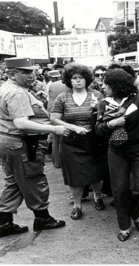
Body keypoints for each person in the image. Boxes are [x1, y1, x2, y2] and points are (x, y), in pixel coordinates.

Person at [0, 57, 68, 238]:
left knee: (14, 183)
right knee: (34, 179)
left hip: (9, 141)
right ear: (12, 74)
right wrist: (53, 128)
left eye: (31, 71)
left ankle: (4, 222)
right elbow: (21, 122)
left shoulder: (10, 88)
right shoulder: (17, 93)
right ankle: (42, 218)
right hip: (20, 142)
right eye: (25, 72)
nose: (32, 75)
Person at [95, 68, 139, 241]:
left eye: (107, 84)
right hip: (117, 151)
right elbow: (98, 130)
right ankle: (124, 226)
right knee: (120, 190)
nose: (103, 86)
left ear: (118, 85)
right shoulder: (103, 103)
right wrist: (111, 124)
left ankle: (135, 214)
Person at [51, 63, 104, 220]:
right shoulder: (63, 97)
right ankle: (77, 205)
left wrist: (98, 109)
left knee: (96, 172)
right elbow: (54, 119)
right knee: (75, 175)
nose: (78, 81)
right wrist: (73, 127)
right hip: (71, 142)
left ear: (87, 79)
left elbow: (105, 117)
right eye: (74, 78)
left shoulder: (97, 95)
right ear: (69, 80)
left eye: (81, 78)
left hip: (93, 140)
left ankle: (98, 197)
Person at [46, 69, 67, 169]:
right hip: (66, 112)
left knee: (56, 138)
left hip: (53, 112)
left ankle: (57, 162)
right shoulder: (68, 85)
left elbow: (49, 100)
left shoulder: (51, 85)